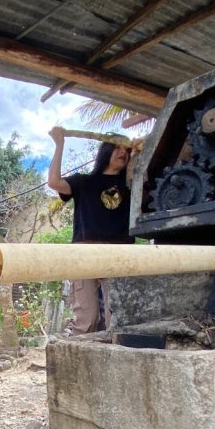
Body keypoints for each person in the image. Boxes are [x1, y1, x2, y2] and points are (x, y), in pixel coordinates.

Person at [47, 127, 134, 334]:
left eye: (126, 149)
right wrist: (59, 144)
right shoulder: (83, 181)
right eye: (117, 148)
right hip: (85, 251)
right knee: (87, 318)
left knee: (118, 319)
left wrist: (140, 150)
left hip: (120, 252)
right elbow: (53, 182)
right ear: (106, 151)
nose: (122, 152)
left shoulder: (132, 183)